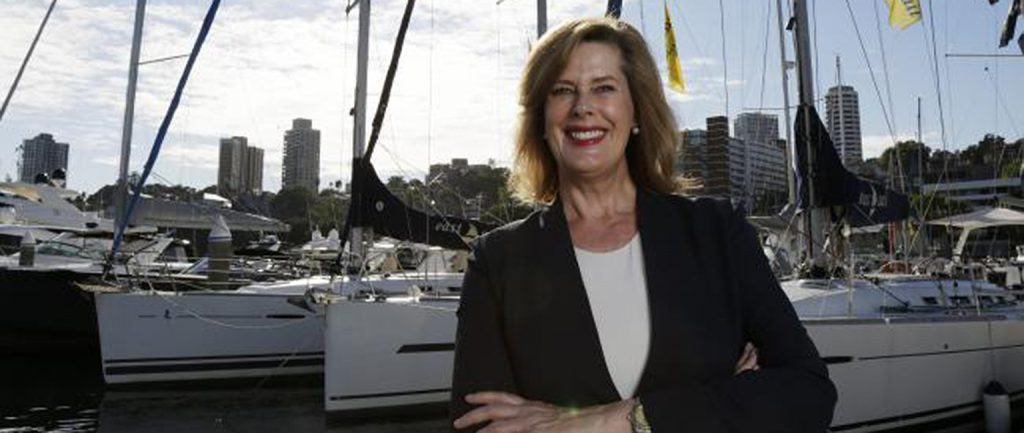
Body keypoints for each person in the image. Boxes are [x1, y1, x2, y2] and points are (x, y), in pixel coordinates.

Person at [450, 17, 836, 433]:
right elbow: (481, 425)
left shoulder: (716, 231)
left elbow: (808, 392)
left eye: (604, 88)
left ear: (636, 111)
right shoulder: (498, 261)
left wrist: (623, 419)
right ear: (542, 120)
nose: (583, 107)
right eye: (563, 90)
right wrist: (721, 400)